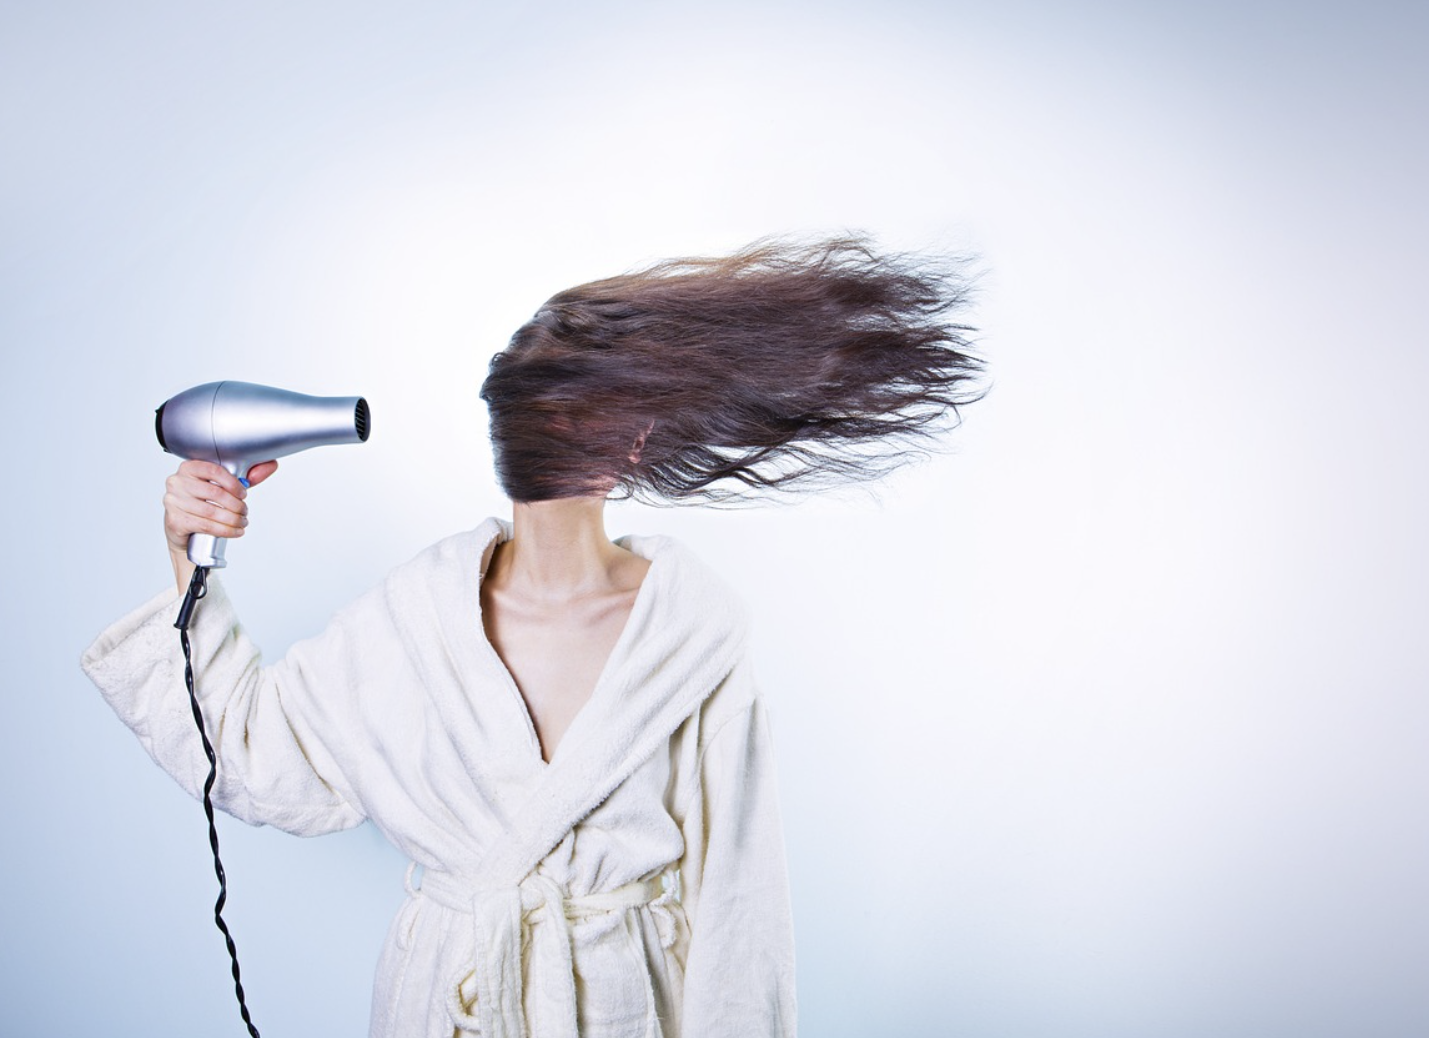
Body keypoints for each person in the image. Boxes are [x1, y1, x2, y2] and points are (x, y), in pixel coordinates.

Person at [81, 235, 984, 1038]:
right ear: (635, 440)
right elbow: (250, 760)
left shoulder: (690, 638)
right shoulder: (413, 622)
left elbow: (739, 912)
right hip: (449, 1001)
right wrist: (185, 556)